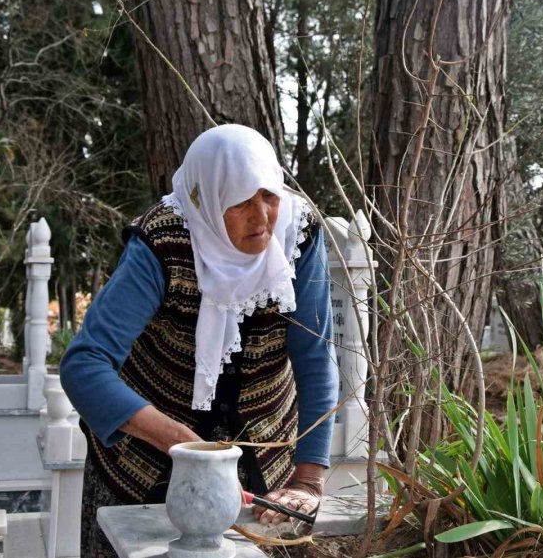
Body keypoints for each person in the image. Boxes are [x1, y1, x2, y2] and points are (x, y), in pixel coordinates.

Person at [60, 124, 338, 557]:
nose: (262, 217)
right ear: (206, 200)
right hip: (143, 462)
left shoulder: (297, 234)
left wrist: (307, 480)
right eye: (241, 202)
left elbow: (316, 356)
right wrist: (177, 441)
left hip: (264, 461)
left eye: (268, 195)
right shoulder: (163, 240)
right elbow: (85, 364)